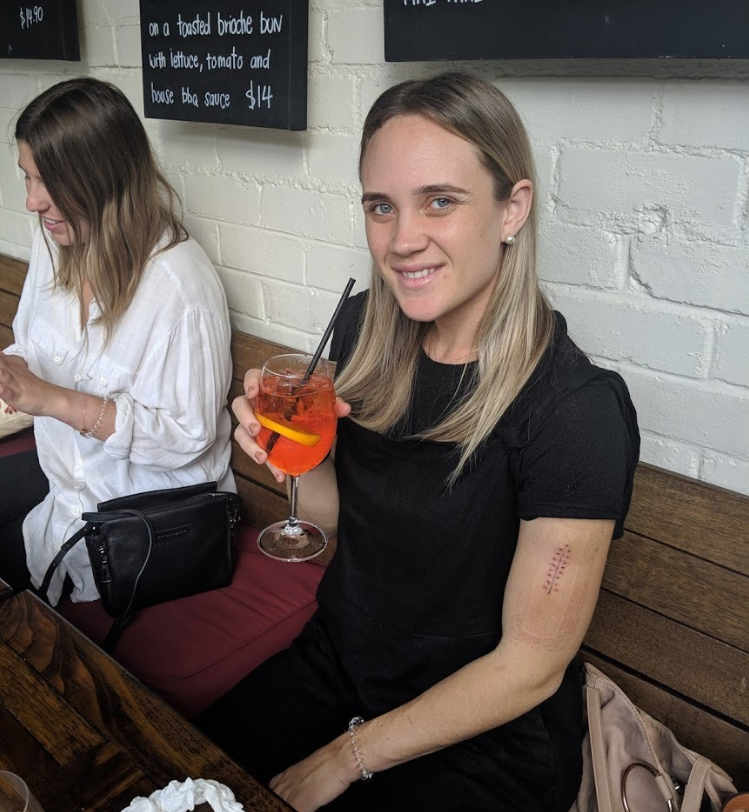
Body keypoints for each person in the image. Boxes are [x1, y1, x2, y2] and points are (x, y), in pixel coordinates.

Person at [196, 72, 639, 812]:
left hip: (483, 735)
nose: (401, 240)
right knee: (184, 781)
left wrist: (346, 757)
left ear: (511, 209)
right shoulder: (365, 330)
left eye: (439, 200)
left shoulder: (574, 412)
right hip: (339, 663)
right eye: (381, 206)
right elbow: (339, 522)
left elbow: (529, 666)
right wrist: (290, 461)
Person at [0, 77, 235, 606]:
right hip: (64, 490)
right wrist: (10, 373)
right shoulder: (56, 241)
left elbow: (188, 437)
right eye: (28, 178)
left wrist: (56, 401)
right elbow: (28, 345)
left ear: (102, 179)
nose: (33, 201)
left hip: (139, 526)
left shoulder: (179, 286)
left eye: (47, 182)